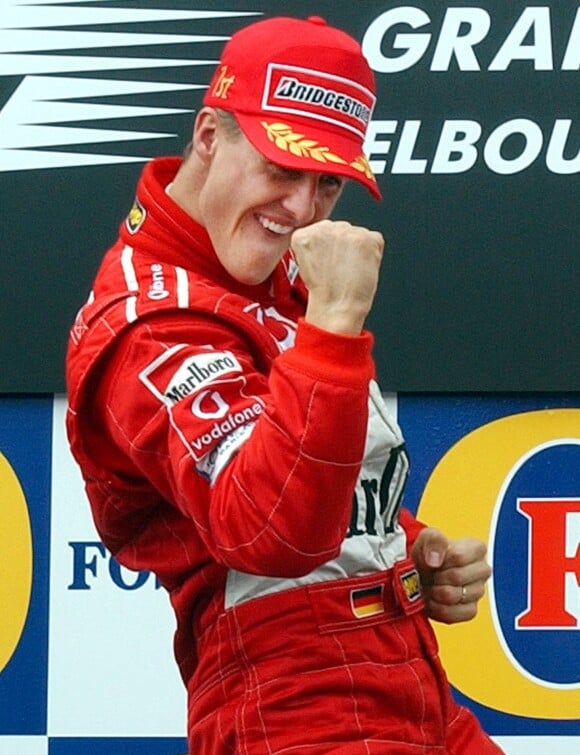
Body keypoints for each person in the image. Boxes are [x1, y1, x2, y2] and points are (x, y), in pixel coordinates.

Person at [66, 15, 504, 755]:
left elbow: (303, 466)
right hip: (297, 699)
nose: (301, 210)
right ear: (209, 134)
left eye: (327, 183)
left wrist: (407, 547)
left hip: (407, 675)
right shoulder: (147, 322)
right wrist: (333, 329)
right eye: (281, 168)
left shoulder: (267, 272)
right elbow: (266, 527)